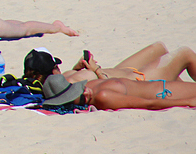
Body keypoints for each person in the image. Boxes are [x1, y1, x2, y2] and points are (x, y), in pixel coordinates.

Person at [23, 43, 196, 84]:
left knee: (159, 48)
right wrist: (96, 70)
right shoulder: (67, 84)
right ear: (52, 71)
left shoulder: (62, 79)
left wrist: (78, 68)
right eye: (56, 66)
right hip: (138, 80)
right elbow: (108, 87)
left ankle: (177, 88)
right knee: (185, 53)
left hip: (122, 70)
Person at [42, 74, 196, 110]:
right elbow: (147, 104)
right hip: (166, 93)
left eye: (78, 89)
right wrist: (187, 102)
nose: (86, 92)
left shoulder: (89, 85)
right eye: (82, 98)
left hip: (161, 83)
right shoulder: (103, 97)